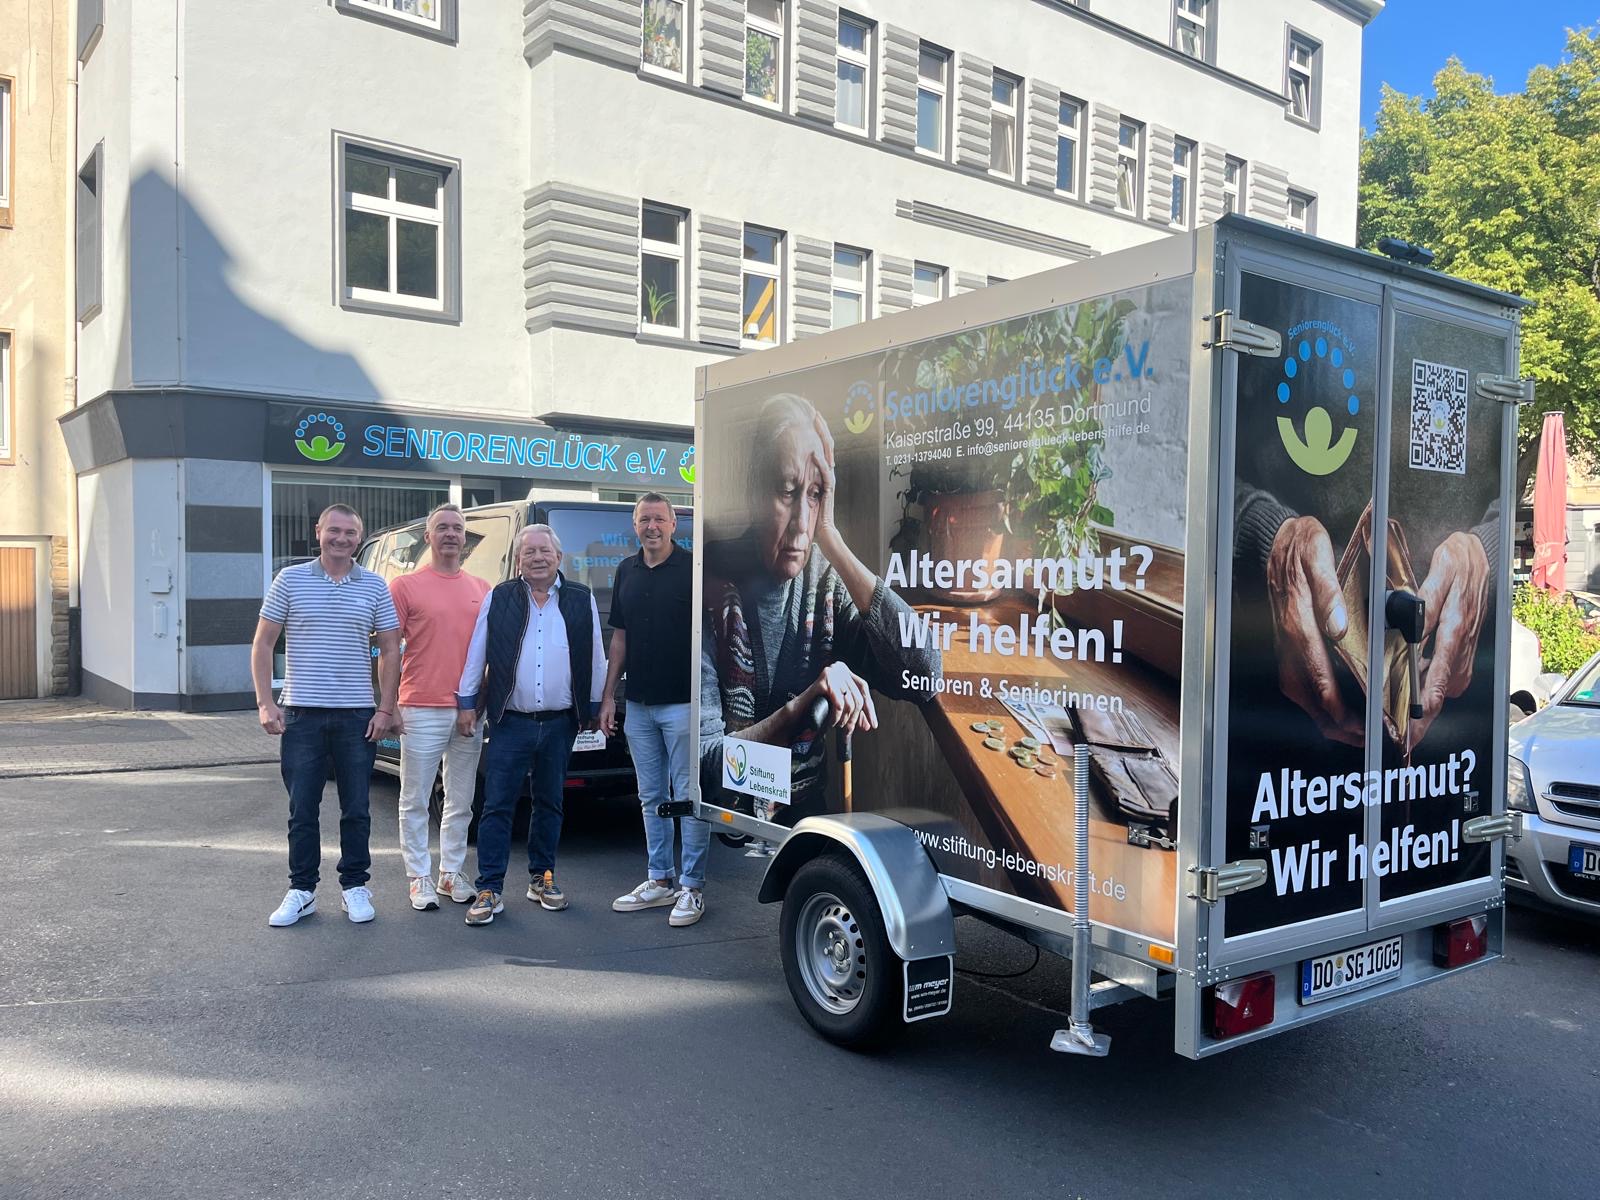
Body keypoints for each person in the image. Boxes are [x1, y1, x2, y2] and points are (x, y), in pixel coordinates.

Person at [699, 393, 942, 824]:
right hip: (724, 828)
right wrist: (803, 706)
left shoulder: (826, 581)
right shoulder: (710, 579)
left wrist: (832, 538)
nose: (801, 523)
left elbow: (924, 675)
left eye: (815, 495)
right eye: (787, 491)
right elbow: (703, 764)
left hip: (804, 818)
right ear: (755, 491)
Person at [1236, 486, 1495, 750]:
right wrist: (1266, 531)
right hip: (1280, 729)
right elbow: (1206, 484)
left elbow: (1513, 500)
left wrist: (1486, 550)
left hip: (1452, 736)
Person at [253, 503, 402, 927]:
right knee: (303, 808)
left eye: (350, 533)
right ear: (318, 531)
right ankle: (302, 890)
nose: (341, 539)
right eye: (334, 530)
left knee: (357, 808)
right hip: (301, 715)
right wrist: (266, 701)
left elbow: (391, 649)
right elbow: (263, 643)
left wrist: (385, 708)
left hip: (357, 715)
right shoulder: (290, 580)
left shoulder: (374, 586)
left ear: (360, 537)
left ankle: (355, 886)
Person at [456, 524, 605, 926]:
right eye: (529, 552)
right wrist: (468, 704)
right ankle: (489, 888)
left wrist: (592, 706)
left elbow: (595, 654)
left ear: (559, 558)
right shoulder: (500, 596)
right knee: (497, 806)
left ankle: (543, 879)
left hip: (559, 723)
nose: (537, 558)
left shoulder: (580, 598)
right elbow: (477, 653)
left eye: (545, 551)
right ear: (518, 560)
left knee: (550, 803)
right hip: (510, 721)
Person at [600, 494, 703, 927]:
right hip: (639, 705)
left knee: (688, 797)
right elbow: (618, 642)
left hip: (683, 704)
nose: (652, 526)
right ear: (635, 524)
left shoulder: (695, 570)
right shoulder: (626, 570)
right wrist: (608, 696)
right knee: (650, 797)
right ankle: (659, 880)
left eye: (660, 519)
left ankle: (692, 887)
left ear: (674, 524)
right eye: (644, 519)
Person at [388, 503, 490, 912]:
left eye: (457, 528)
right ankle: (419, 877)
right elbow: (388, 651)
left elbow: (487, 655)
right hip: (419, 707)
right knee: (414, 798)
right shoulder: (406, 586)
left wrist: (479, 702)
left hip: (468, 711)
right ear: (428, 536)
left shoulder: (482, 589)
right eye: (442, 528)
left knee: (461, 798)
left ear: (464, 538)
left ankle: (451, 872)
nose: (450, 534)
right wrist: (388, 705)